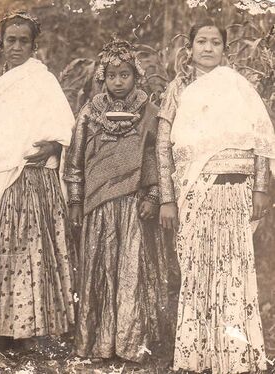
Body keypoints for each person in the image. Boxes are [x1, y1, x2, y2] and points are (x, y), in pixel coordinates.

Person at [157, 19, 275, 374]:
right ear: (189, 47)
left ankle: (235, 358)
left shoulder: (239, 87)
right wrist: (167, 198)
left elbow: (260, 142)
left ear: (225, 50)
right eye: (201, 42)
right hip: (195, 193)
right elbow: (163, 147)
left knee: (234, 271)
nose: (208, 48)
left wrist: (259, 189)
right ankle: (199, 357)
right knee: (197, 273)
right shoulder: (177, 90)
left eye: (215, 43)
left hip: (237, 192)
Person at [0, 10, 76, 349]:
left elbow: (64, 126)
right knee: (4, 250)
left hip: (36, 177)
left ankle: (34, 329)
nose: (16, 47)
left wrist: (52, 145)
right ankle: (0, 328)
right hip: (2, 176)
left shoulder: (43, 79)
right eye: (10, 41)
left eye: (23, 41)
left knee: (36, 251)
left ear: (34, 46)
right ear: (1, 43)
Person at [64, 39, 170, 362]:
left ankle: (131, 345)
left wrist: (153, 195)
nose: (118, 81)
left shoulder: (149, 112)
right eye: (112, 75)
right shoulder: (89, 113)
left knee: (131, 272)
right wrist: (76, 202)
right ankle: (99, 344)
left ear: (136, 76)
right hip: (98, 208)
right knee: (100, 273)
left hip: (134, 207)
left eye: (125, 74)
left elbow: (154, 154)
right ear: (102, 77)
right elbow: (75, 161)